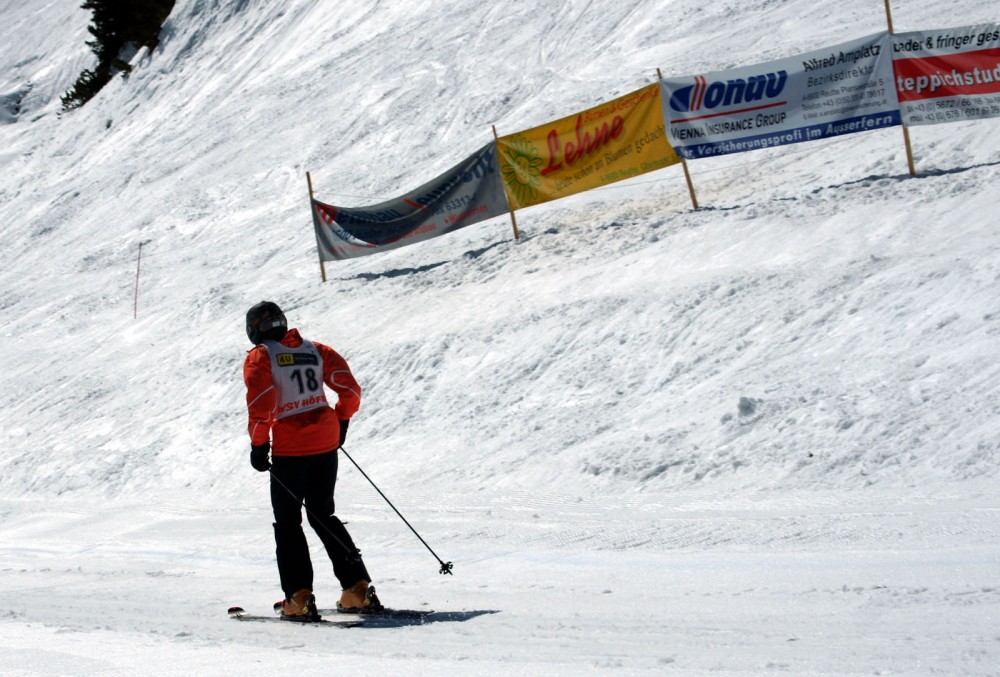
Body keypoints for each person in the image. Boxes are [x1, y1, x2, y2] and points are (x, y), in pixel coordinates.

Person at [242, 300, 381, 619]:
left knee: (288, 522)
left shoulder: (262, 356)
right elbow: (351, 391)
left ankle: (298, 597)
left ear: (254, 332)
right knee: (323, 514)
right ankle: (357, 589)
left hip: (291, 449)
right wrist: (342, 420)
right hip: (325, 442)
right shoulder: (315, 349)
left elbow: (262, 405)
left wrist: (259, 446)